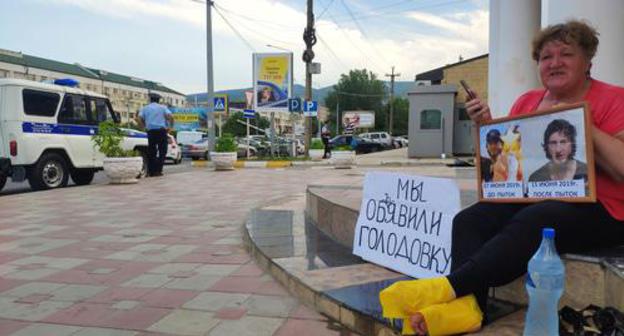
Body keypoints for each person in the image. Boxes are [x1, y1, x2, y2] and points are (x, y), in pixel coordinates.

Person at [380, 20, 624, 336]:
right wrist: (487, 126)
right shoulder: (527, 101)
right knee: (469, 220)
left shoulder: (615, 99)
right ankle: (469, 311)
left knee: (538, 218)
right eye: (546, 57)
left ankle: (448, 287)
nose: (554, 63)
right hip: (539, 196)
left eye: (566, 54)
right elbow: (511, 166)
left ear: (588, 61)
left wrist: (580, 123)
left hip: (604, 208)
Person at [138, 93, 174, 177]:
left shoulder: (145, 108)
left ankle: (151, 171)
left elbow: (139, 118)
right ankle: (158, 170)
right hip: (161, 131)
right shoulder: (163, 107)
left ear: (150, 99)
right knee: (162, 151)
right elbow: (171, 116)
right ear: (159, 100)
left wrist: (143, 127)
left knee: (151, 151)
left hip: (151, 132)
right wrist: (170, 127)